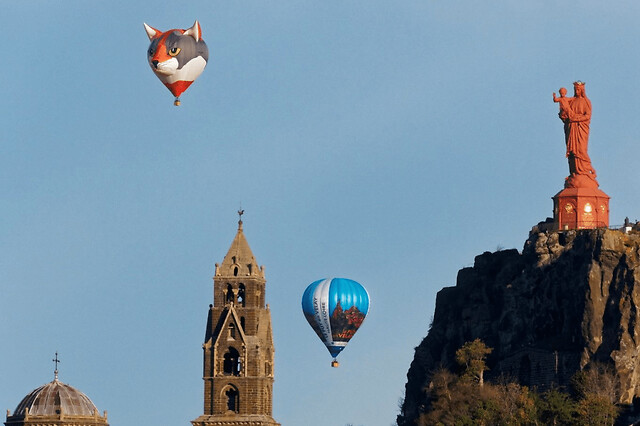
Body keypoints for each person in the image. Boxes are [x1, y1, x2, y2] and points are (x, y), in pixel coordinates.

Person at [556, 81, 598, 187]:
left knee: (581, 150)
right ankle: (574, 172)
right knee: (572, 151)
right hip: (571, 128)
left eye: (579, 89)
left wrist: (576, 118)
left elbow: (587, 116)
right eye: (575, 89)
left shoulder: (586, 102)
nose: (577, 91)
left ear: (582, 90)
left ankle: (585, 171)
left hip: (580, 128)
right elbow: (564, 114)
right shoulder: (571, 101)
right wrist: (563, 114)